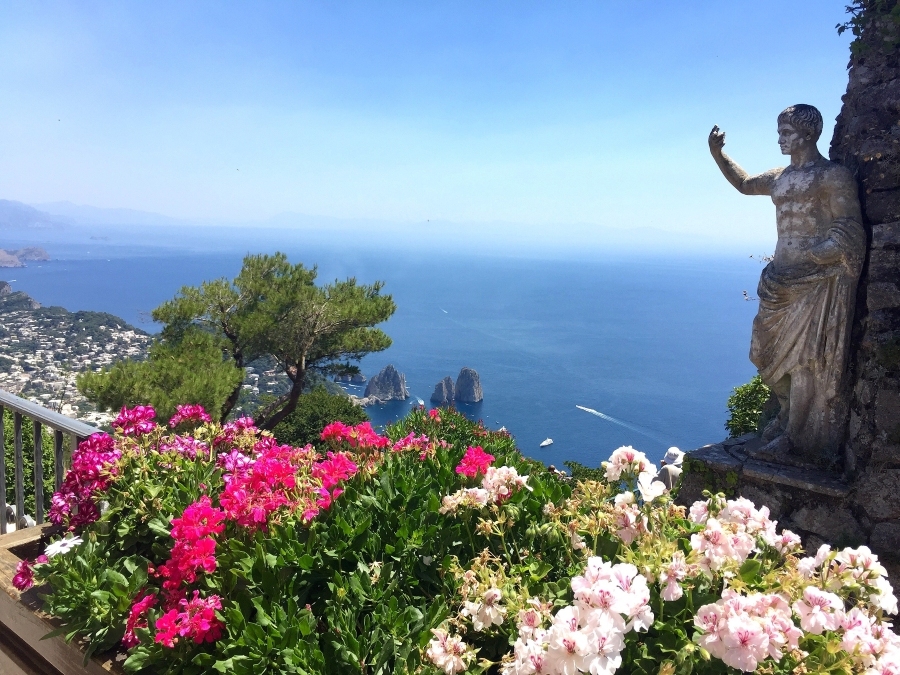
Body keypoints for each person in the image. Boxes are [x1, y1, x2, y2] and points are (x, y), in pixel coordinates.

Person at [708, 105, 865, 462]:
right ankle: (786, 416)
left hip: (815, 281)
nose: (780, 139)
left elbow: (849, 227)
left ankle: (796, 436)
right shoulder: (780, 177)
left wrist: (824, 252)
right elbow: (745, 184)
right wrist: (719, 155)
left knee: (806, 360)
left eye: (787, 132)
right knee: (763, 354)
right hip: (780, 280)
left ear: (807, 134)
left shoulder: (832, 176)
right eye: (780, 132)